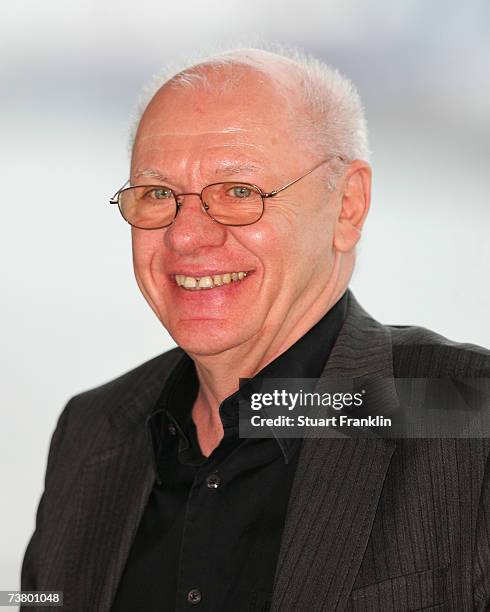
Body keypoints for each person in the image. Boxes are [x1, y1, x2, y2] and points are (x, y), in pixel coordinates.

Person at [21, 48, 489, 612]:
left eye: (239, 192)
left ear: (347, 206)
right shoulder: (92, 430)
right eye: (156, 194)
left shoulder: (468, 414)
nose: (186, 237)